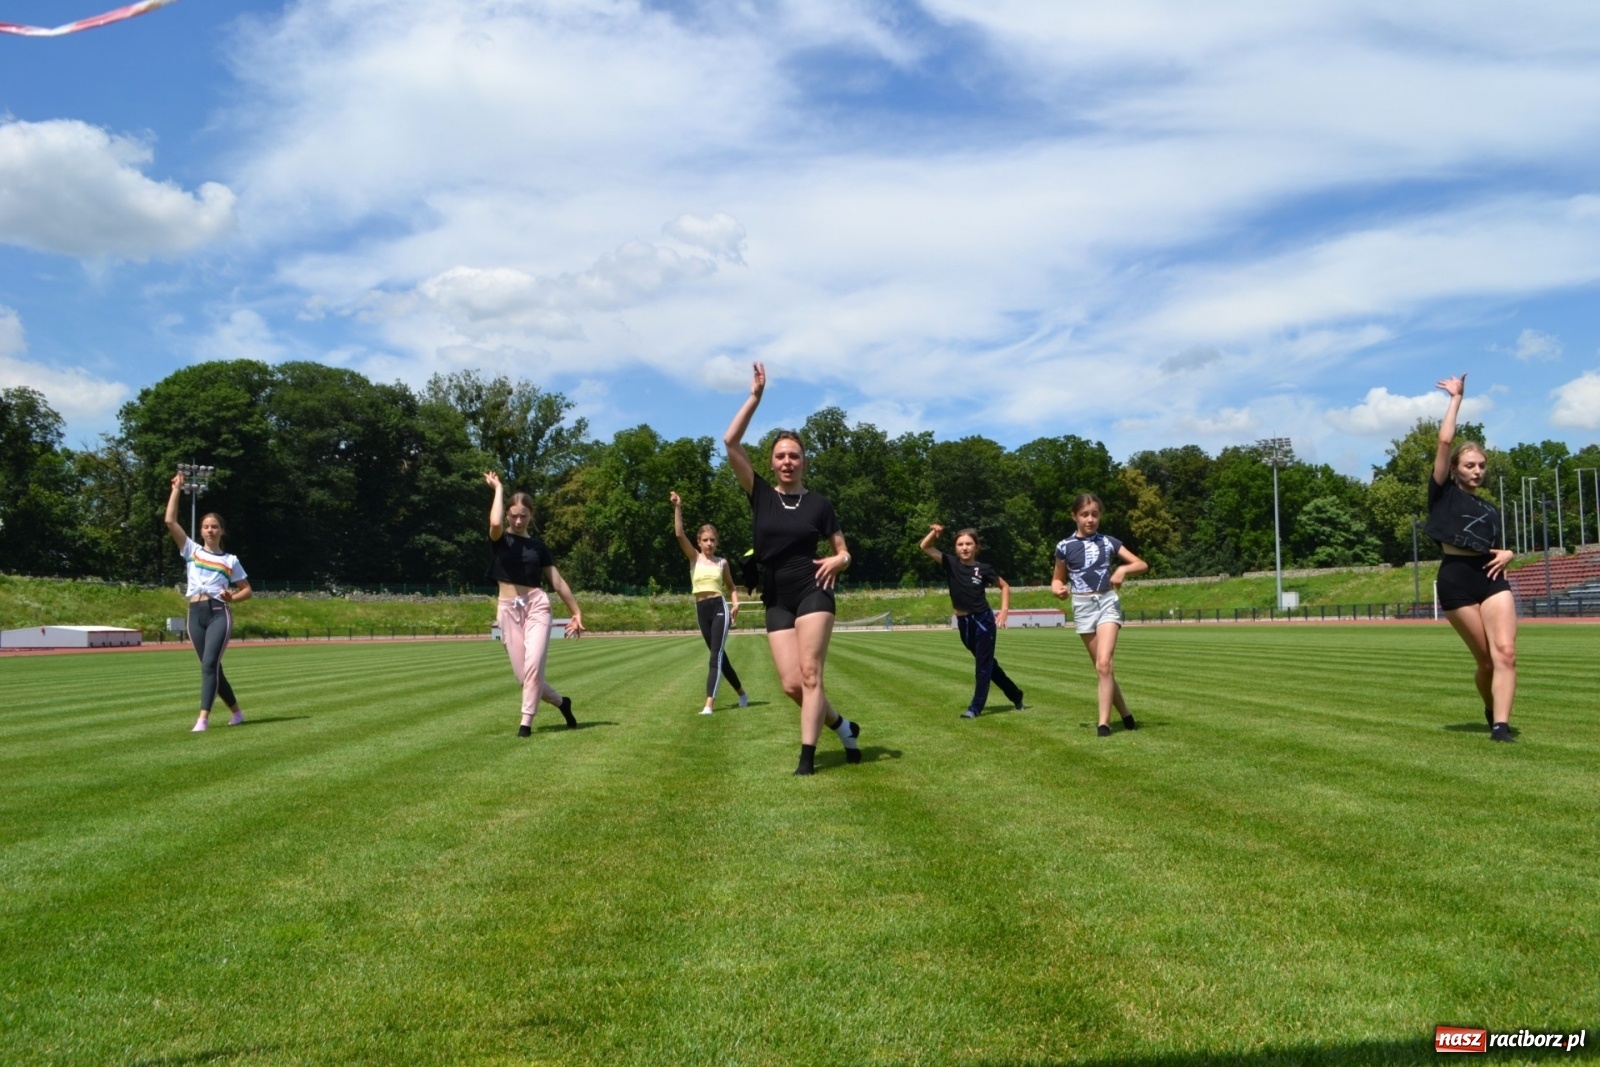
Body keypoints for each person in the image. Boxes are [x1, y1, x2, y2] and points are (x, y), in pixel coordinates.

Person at [723, 362, 862, 775]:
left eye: (794, 456)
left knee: (810, 673)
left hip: (813, 589)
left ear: (804, 462)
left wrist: (841, 559)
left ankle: (807, 758)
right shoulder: (760, 494)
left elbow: (843, 551)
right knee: (790, 684)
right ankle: (842, 725)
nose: (788, 462)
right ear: (771, 463)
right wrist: (755, 397)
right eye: (781, 456)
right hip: (776, 596)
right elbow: (730, 442)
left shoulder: (819, 504)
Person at [1428, 374, 1517, 742]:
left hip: (1491, 577)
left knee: (1506, 654)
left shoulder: (1489, 508)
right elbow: (1446, 439)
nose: (1477, 470)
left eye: (1481, 465)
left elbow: (1496, 546)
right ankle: (1489, 706)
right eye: (1469, 466)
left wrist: (1510, 553)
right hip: (1456, 579)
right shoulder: (1441, 493)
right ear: (1454, 470)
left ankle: (1500, 726)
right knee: (1484, 662)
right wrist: (1456, 399)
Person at [485, 472, 584, 736]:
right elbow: (494, 521)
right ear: (508, 514)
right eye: (514, 515)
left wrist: (576, 612)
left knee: (533, 667)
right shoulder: (499, 540)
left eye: (524, 516)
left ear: (532, 516)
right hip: (507, 609)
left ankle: (525, 723)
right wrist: (499, 489)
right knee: (524, 677)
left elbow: (558, 582)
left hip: (536, 606)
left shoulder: (538, 547)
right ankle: (563, 703)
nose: (518, 520)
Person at [1052, 494, 1148, 736]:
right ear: (1074, 516)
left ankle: (1103, 723)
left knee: (1104, 663)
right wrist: (1058, 589)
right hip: (1082, 607)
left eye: (1095, 514)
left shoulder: (1109, 542)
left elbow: (1141, 564)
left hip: (1107, 602)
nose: (1090, 519)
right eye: (1085, 514)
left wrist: (1123, 569)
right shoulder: (1064, 547)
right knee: (1103, 669)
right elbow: (1057, 578)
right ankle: (1126, 715)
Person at [164, 472, 251, 732]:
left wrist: (232, 597)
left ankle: (202, 718)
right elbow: (170, 520)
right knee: (211, 667)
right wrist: (177, 489)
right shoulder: (191, 550)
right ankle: (237, 713)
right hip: (195, 612)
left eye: (214, 526)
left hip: (218, 613)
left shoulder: (230, 560)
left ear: (222, 530)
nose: (210, 530)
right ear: (200, 531)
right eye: (205, 526)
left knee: (209, 665)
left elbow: (247, 590)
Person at [919, 524, 1025, 718]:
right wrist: (934, 534)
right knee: (989, 665)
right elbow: (925, 547)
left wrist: (1004, 612)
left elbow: (1005, 586)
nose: (965, 548)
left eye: (969, 544)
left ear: (977, 547)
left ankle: (975, 708)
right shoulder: (950, 563)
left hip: (983, 620)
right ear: (955, 548)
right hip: (963, 623)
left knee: (982, 666)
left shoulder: (984, 569)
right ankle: (1016, 695)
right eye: (960, 544)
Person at [670, 490, 750, 715]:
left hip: (719, 608)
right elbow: (678, 534)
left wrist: (735, 603)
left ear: (717, 542)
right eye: (705, 540)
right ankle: (742, 693)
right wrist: (678, 507)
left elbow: (732, 588)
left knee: (714, 657)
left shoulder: (722, 563)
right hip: (701, 609)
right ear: (698, 542)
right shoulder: (694, 558)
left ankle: (709, 705)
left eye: (712, 540)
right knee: (720, 658)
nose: (709, 544)